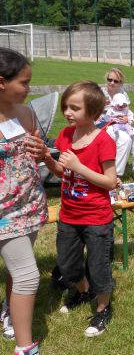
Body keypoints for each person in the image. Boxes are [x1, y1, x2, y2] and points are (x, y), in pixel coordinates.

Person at [41, 81, 117, 337]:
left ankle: (103, 308)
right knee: (67, 264)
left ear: (94, 112)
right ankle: (84, 293)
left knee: (98, 267)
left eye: (75, 108)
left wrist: (79, 166)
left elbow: (109, 181)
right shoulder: (65, 135)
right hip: (69, 216)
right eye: (66, 107)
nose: (68, 112)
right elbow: (63, 172)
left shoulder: (104, 141)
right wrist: (49, 160)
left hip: (96, 218)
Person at [0, 47, 46, 355]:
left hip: (31, 202)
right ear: (2, 82)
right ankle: (25, 348)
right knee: (29, 276)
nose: (29, 89)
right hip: (4, 212)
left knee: (17, 268)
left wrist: (42, 152)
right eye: (24, 83)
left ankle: (9, 308)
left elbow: (39, 149)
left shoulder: (25, 111)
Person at [100, 68, 134, 185]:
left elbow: (127, 111)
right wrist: (100, 106)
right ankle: (116, 175)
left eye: (115, 81)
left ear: (120, 83)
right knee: (125, 139)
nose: (111, 82)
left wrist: (127, 119)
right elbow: (92, 113)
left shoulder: (123, 93)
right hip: (105, 125)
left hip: (123, 123)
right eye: (109, 79)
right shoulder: (100, 93)